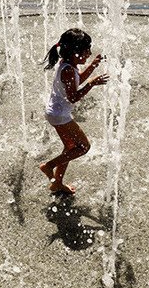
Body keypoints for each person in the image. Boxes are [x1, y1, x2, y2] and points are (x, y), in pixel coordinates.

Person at [39, 28, 109, 194]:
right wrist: (92, 84)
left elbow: (77, 81)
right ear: (76, 51)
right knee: (84, 147)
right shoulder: (69, 69)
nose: (89, 53)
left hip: (56, 112)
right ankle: (49, 166)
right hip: (60, 115)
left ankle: (57, 183)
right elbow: (73, 97)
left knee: (70, 147)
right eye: (87, 50)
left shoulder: (68, 65)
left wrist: (93, 65)